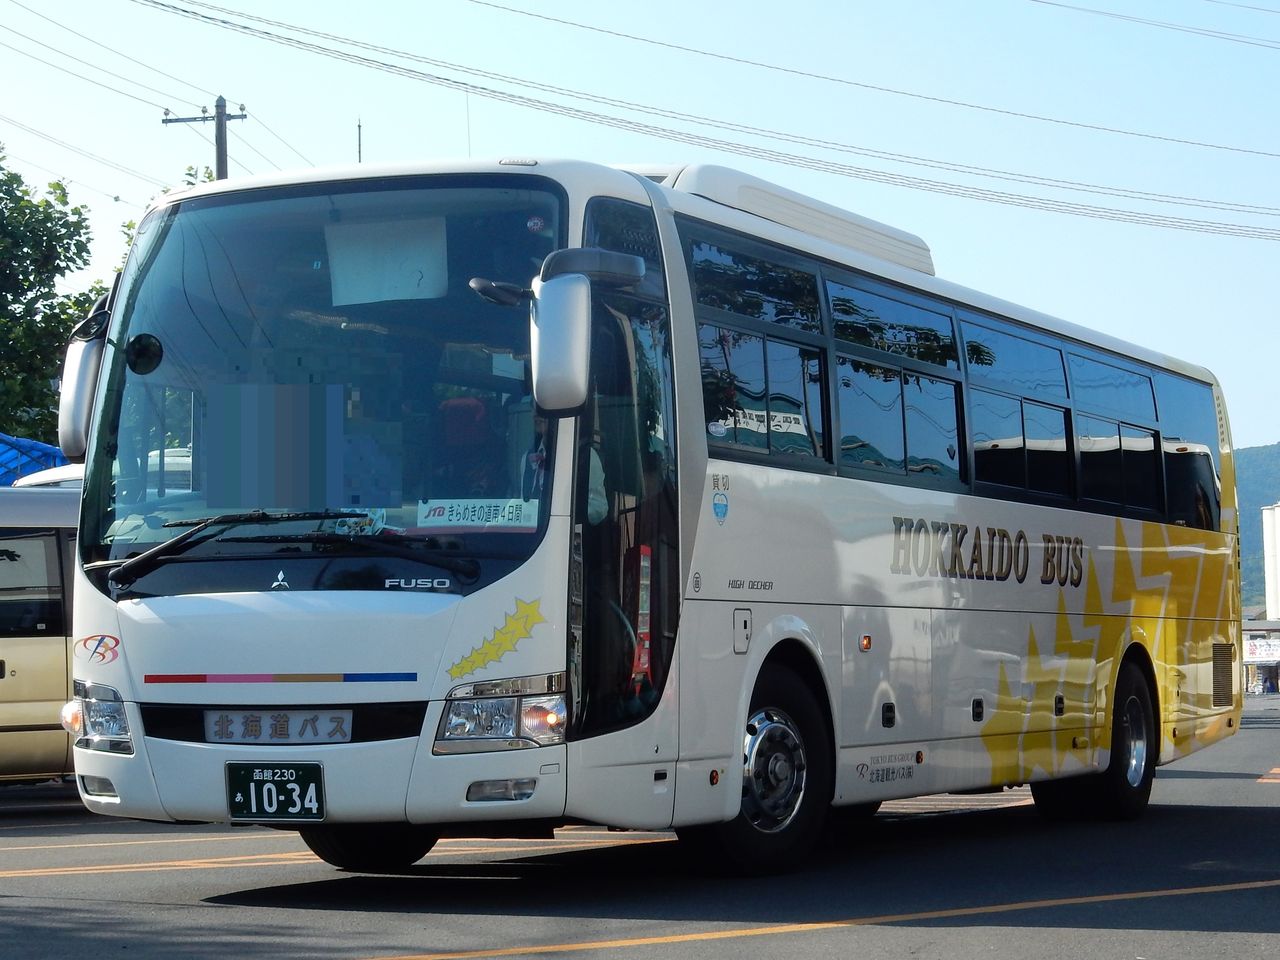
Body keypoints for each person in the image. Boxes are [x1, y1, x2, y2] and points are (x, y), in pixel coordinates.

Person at [522, 414, 606, 525]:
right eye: (534, 405)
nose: (538, 412)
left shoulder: (586, 456)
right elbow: (522, 502)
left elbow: (599, 508)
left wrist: (563, 516)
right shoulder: (527, 457)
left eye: (544, 404)